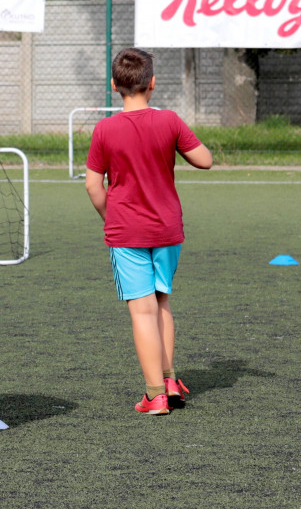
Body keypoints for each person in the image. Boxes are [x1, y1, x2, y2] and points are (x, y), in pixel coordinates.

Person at [84, 48, 213, 416]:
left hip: (127, 231)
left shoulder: (105, 129)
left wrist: (112, 217)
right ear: (153, 83)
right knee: (161, 302)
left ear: (114, 85)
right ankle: (170, 380)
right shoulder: (170, 120)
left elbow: (93, 186)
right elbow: (205, 160)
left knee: (141, 311)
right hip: (167, 229)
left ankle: (155, 394)